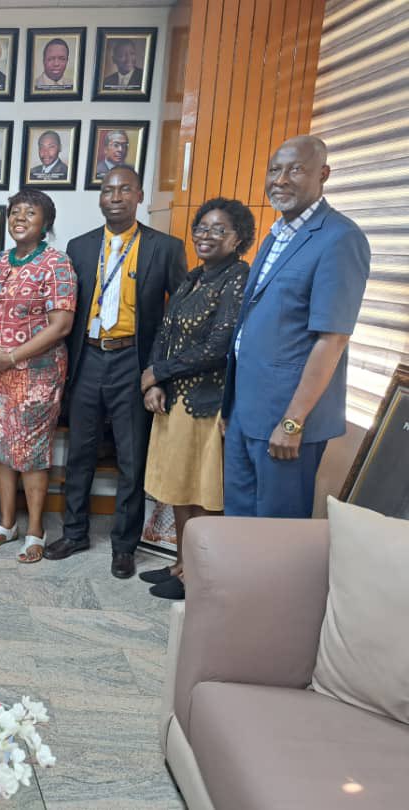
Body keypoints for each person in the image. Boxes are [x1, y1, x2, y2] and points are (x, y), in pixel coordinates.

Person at [222, 135, 370, 519]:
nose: (281, 179)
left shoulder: (340, 238)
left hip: (285, 421)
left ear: (323, 174)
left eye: (295, 169)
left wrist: (292, 421)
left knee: (276, 532)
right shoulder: (277, 235)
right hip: (246, 412)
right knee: (240, 520)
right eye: (275, 169)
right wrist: (231, 408)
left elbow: (332, 339)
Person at [50, 167, 187, 578]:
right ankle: (74, 532)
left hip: (134, 361)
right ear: (100, 198)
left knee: (132, 458)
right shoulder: (80, 247)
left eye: (124, 189)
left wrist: (157, 373)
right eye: (108, 190)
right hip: (88, 358)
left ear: (139, 195)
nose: (115, 196)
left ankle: (124, 546)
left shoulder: (165, 248)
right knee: (80, 454)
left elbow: (177, 316)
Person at [139, 198, 255, 600]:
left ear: (238, 237)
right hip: (172, 400)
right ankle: (181, 562)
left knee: (201, 494)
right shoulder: (195, 277)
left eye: (218, 229)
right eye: (202, 228)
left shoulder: (238, 278)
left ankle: (199, 575)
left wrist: (161, 373)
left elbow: (219, 346)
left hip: (206, 403)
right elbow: (165, 332)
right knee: (179, 487)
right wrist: (152, 382)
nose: (206, 236)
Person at [0, 188, 77, 563]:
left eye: (30, 213)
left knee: (30, 454)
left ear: (45, 222)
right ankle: (7, 524)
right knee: (1, 448)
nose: (20, 218)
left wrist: (12, 356)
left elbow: (60, 325)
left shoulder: (56, 263)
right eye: (15, 212)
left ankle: (35, 530)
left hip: (36, 376)